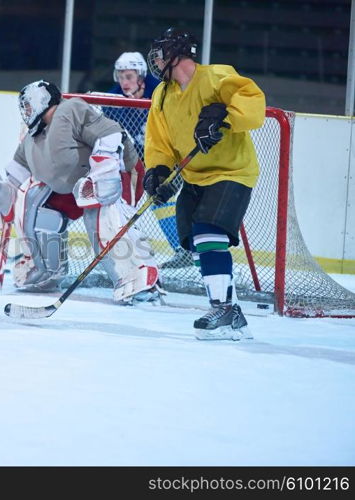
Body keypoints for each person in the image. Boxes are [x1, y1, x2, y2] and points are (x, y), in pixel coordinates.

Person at [0, 80, 160, 305]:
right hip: (78, 187)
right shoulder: (32, 137)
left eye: (28, 105)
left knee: (101, 213)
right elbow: (18, 171)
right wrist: (5, 193)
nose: (25, 111)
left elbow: (112, 134)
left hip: (118, 175)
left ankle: (138, 276)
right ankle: (47, 270)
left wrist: (103, 170)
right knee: (36, 205)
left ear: (42, 100)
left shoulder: (70, 109)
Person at [143, 27, 265, 340]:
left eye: (160, 54)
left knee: (208, 230)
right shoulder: (162, 95)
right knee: (197, 244)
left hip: (231, 171)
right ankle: (233, 313)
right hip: (194, 176)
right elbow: (160, 141)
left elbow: (253, 102)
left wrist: (224, 115)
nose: (156, 61)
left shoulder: (215, 77)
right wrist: (158, 171)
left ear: (176, 54)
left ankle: (221, 307)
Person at [107, 51, 193, 269]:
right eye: (120, 76)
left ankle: (187, 249)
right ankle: (120, 250)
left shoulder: (161, 91)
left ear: (141, 76)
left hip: (169, 155)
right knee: (121, 201)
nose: (123, 82)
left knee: (165, 198)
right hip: (135, 161)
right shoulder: (112, 99)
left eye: (128, 76)